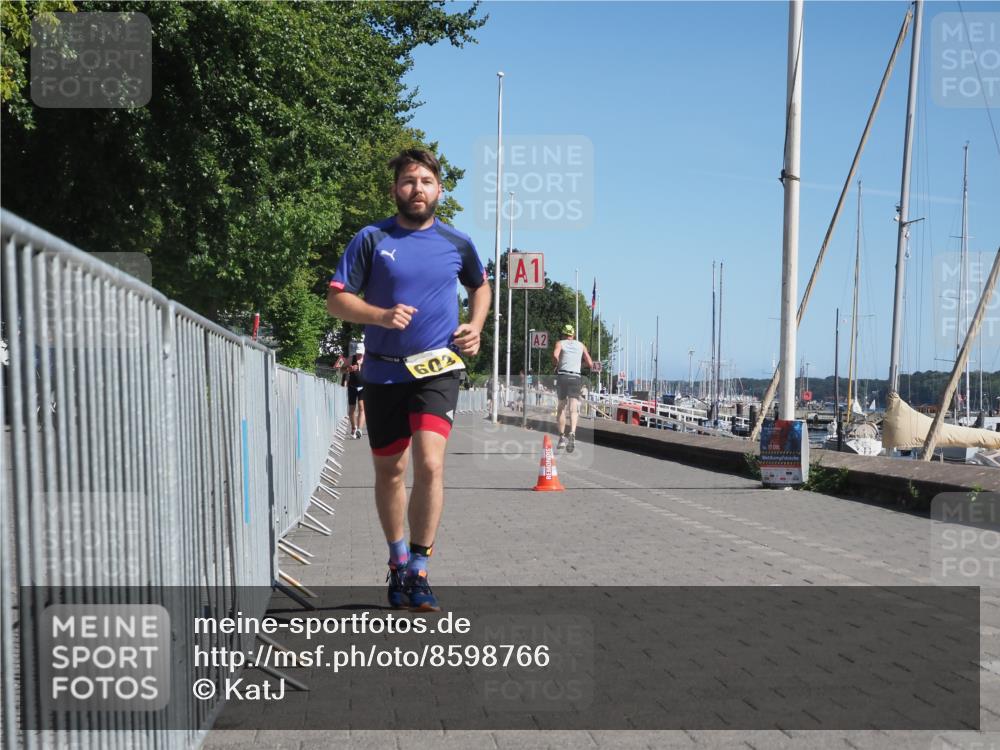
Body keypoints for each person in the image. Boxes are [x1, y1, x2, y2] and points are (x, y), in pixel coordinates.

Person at [327, 148, 491, 611]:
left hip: (438, 369)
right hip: (381, 370)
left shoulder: (457, 243)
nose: (417, 189)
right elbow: (336, 300)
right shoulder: (371, 238)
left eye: (425, 181)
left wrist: (475, 328)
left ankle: (419, 567)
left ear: (439, 190)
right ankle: (397, 560)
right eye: (408, 181)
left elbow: (481, 285)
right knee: (391, 470)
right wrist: (380, 314)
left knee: (431, 463)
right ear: (395, 189)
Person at [552, 323, 593, 453]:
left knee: (561, 408)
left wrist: (556, 363)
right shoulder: (581, 345)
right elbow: (590, 363)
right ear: (573, 335)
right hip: (575, 377)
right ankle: (573, 432)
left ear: (564, 334)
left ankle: (561, 438)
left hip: (563, 376)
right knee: (573, 407)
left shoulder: (560, 343)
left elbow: (555, 356)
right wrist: (579, 364)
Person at [342, 346, 366, 439]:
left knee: (361, 407)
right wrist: (348, 369)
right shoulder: (350, 359)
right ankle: (353, 427)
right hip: (352, 387)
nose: (359, 356)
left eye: (361, 354)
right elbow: (341, 369)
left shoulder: (367, 360)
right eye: (358, 354)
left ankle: (359, 429)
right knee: (351, 410)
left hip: (363, 387)